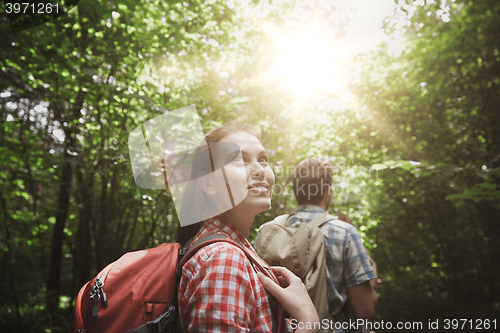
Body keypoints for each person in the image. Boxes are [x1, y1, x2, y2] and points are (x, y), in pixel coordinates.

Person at [176, 123, 319, 333]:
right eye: (239, 159)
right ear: (208, 184)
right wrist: (308, 321)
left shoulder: (225, 250)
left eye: (262, 159)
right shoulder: (223, 258)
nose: (260, 170)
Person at [281, 158, 378, 331]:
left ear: (296, 192)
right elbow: (366, 310)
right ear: (327, 191)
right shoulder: (344, 232)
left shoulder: (270, 230)